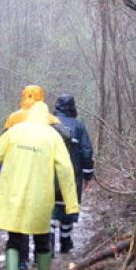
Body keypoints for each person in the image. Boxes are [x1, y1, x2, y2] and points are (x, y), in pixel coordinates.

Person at [0, 101, 79, 270]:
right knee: (42, 240)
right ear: (46, 117)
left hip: (14, 195)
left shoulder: (15, 131)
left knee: (14, 239)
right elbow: (65, 170)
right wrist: (71, 204)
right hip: (40, 197)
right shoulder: (52, 136)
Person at [2, 84, 60, 270]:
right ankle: (42, 255)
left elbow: (4, 147)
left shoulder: (13, 118)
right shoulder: (51, 120)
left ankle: (21, 260)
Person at [51, 94, 95, 254]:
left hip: (51, 173)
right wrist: (88, 174)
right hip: (72, 174)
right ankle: (65, 243)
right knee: (69, 207)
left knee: (52, 206)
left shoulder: (49, 123)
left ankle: (48, 244)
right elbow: (86, 151)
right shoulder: (79, 126)